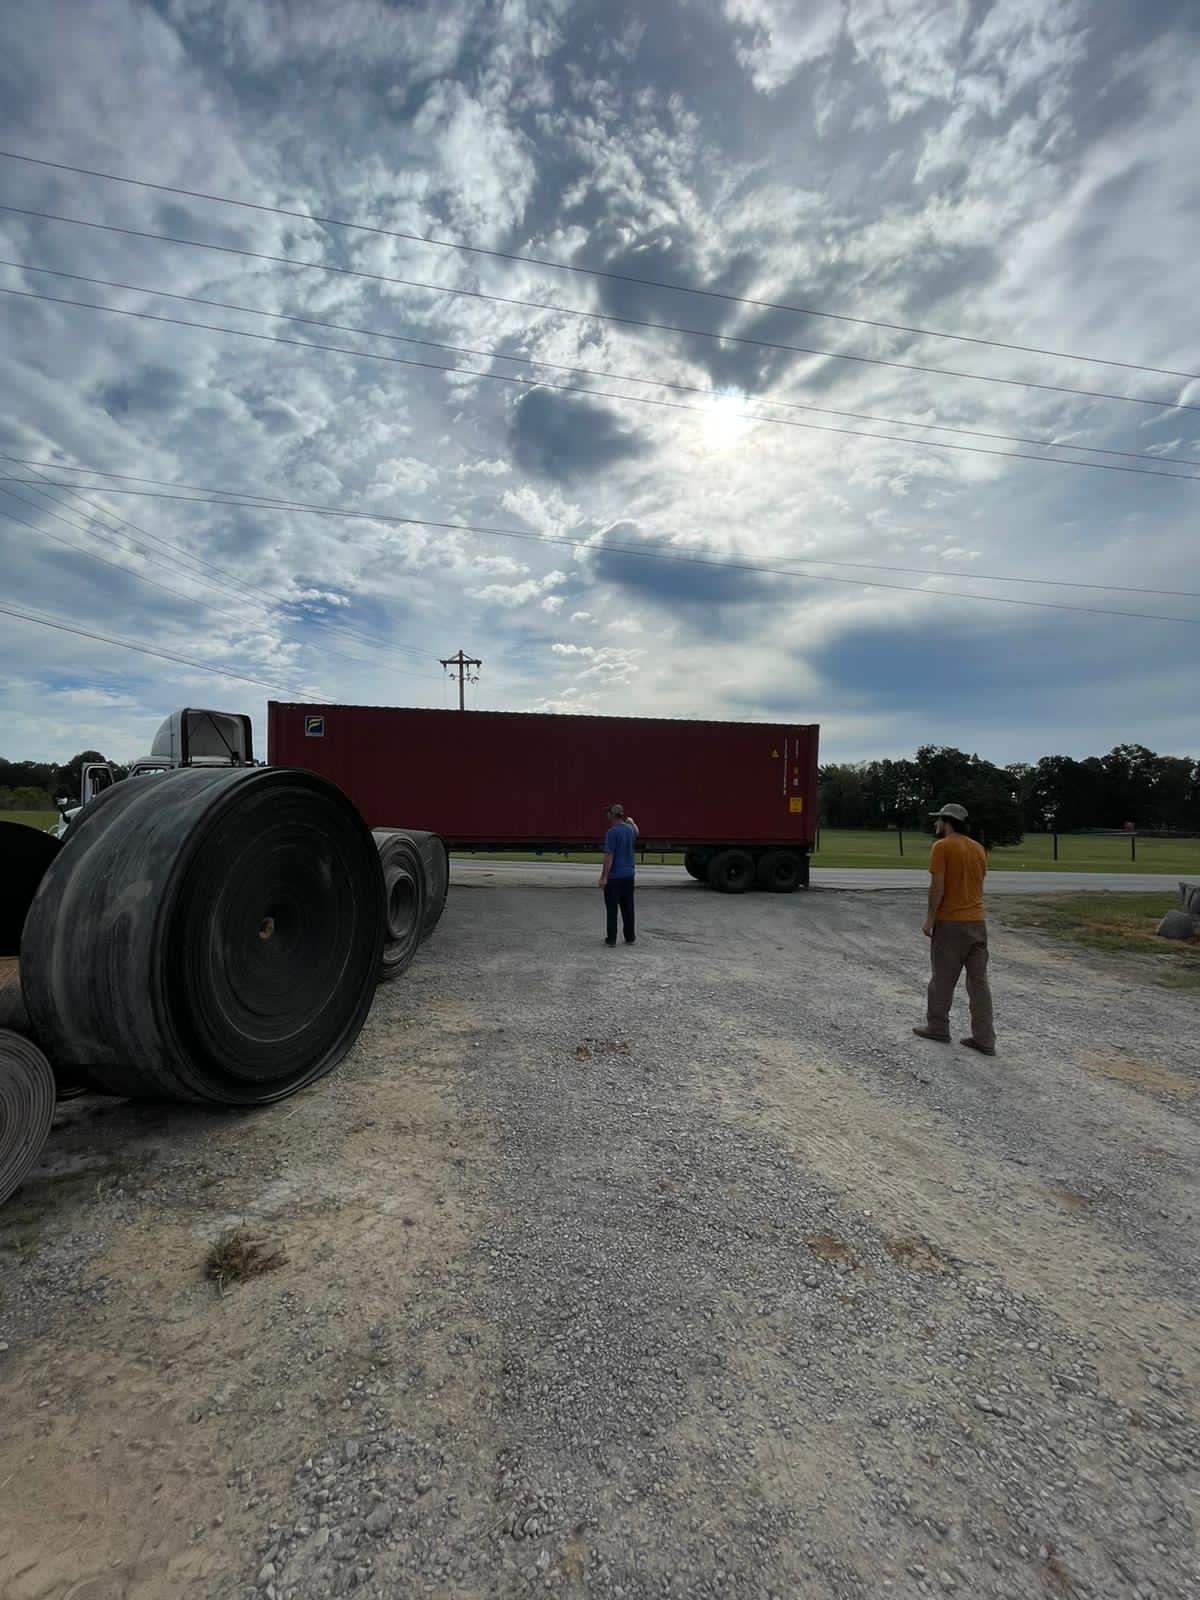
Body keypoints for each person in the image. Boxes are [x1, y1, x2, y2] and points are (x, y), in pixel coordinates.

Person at [913, 802, 996, 1056]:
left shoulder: (942, 847)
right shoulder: (978, 848)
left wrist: (930, 919)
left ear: (948, 822)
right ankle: (985, 1038)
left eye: (938, 819)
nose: (935, 823)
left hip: (951, 923)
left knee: (942, 979)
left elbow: (938, 887)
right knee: (978, 983)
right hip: (977, 922)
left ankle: (938, 1027)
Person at [598, 803, 638, 946]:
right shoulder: (630, 829)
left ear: (612, 815)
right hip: (629, 875)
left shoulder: (612, 832)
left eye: (608, 813)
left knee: (612, 908)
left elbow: (609, 856)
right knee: (628, 907)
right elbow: (637, 831)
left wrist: (604, 877)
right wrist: (632, 822)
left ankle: (612, 939)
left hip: (615, 876)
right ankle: (630, 937)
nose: (607, 815)